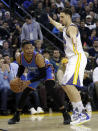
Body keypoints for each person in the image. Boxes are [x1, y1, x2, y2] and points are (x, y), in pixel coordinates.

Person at [8, 41, 71, 124]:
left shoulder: (38, 57)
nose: (30, 50)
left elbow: (42, 74)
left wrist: (29, 81)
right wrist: (17, 77)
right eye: (27, 48)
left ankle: (65, 113)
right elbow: (21, 68)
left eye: (31, 48)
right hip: (34, 73)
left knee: (50, 89)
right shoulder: (20, 57)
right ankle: (17, 115)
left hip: (46, 70)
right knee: (25, 92)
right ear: (22, 49)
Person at [48, 8, 90, 125]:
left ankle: (82, 113)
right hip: (71, 59)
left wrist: (73, 39)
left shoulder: (71, 27)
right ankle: (77, 111)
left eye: (62, 17)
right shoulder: (65, 27)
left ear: (68, 16)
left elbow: (72, 34)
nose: (60, 19)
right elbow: (59, 26)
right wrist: (51, 21)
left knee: (69, 84)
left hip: (77, 58)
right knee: (65, 85)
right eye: (59, 17)